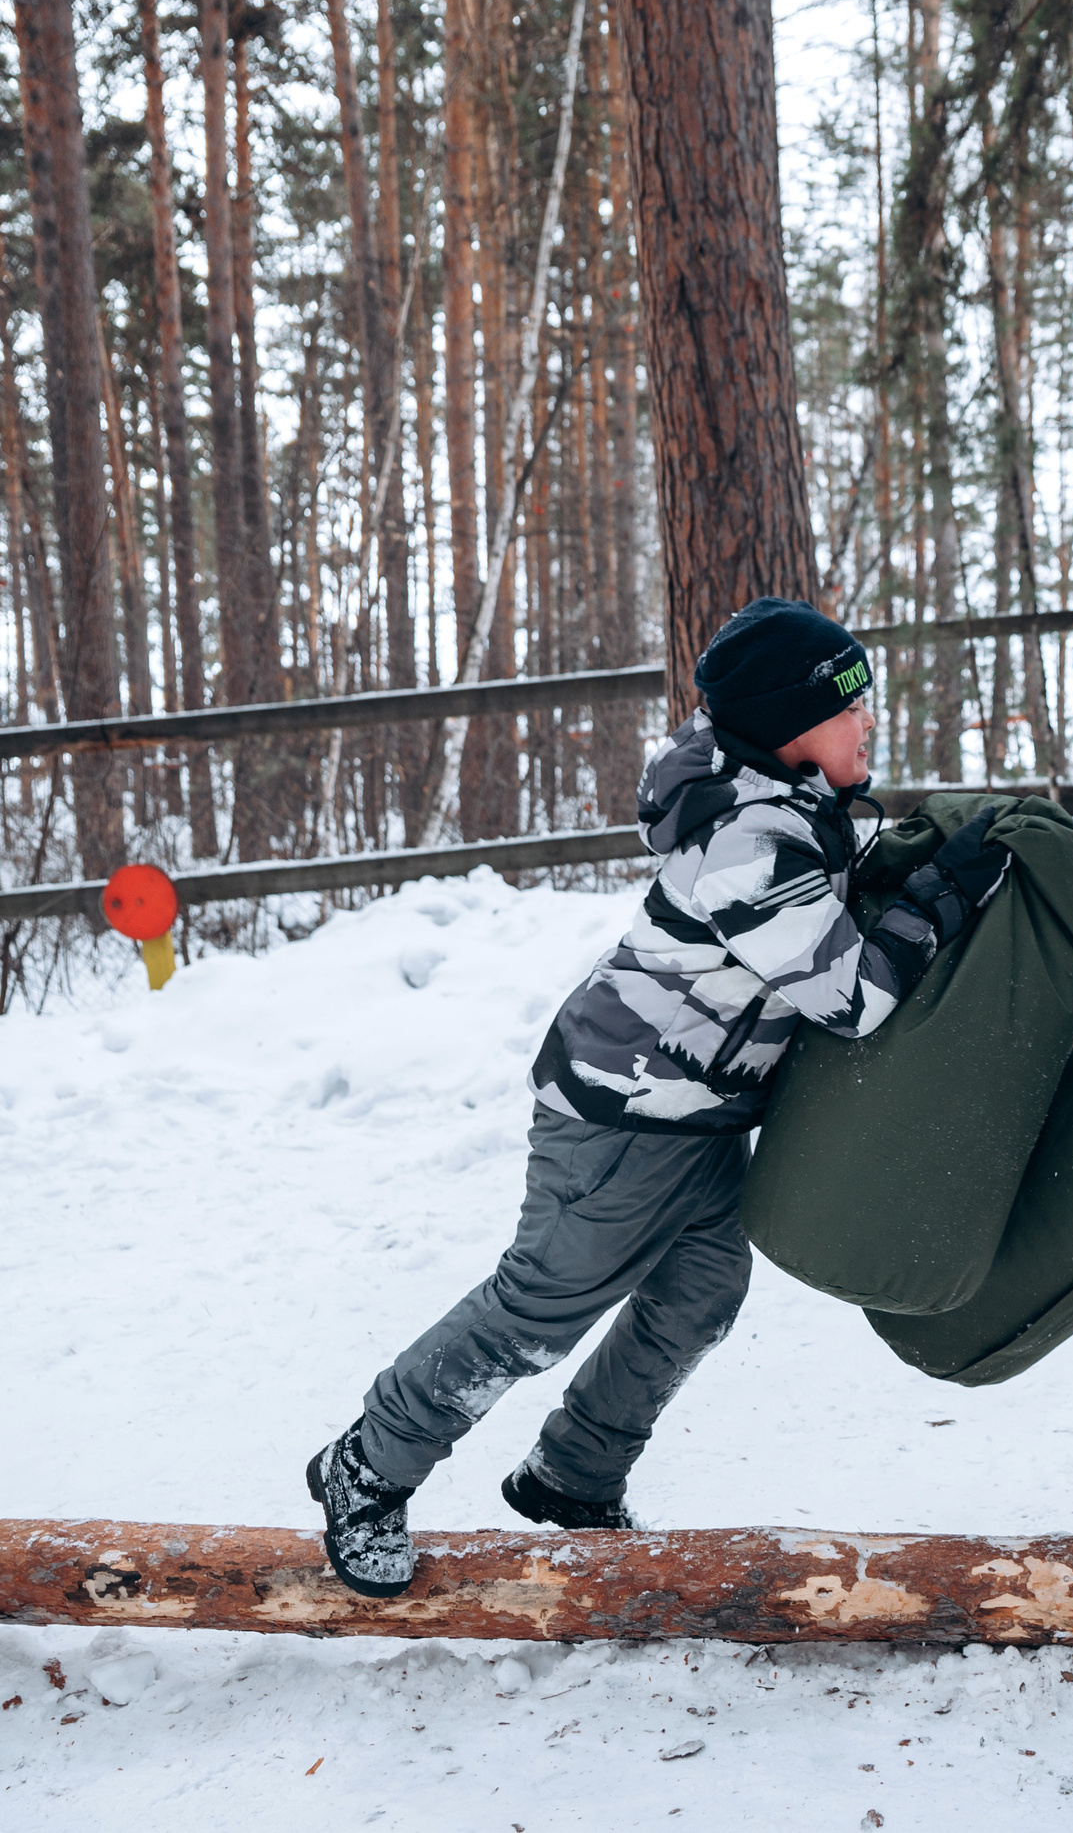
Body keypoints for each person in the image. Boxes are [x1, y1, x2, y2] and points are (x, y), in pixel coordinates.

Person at [306, 598, 1010, 1597]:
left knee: (700, 1294)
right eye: (850, 706)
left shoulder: (785, 797)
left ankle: (573, 1475)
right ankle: (369, 1464)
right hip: (619, 1113)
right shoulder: (749, 842)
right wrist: (942, 897)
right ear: (791, 725)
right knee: (538, 1311)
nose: (868, 721)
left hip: (697, 1113)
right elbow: (850, 998)